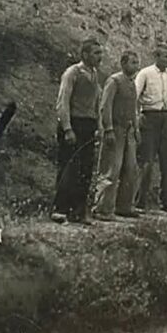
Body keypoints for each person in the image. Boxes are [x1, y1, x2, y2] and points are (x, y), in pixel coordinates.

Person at [51, 38, 104, 224]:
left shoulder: (95, 74)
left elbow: (97, 104)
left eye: (100, 53)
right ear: (85, 54)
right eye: (96, 53)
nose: (100, 57)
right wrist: (67, 128)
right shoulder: (72, 72)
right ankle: (60, 210)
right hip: (73, 124)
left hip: (88, 126)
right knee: (69, 168)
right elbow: (63, 102)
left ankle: (79, 211)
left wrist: (99, 127)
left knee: (86, 170)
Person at [134, 42, 167, 212]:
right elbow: (135, 95)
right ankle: (140, 201)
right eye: (165, 56)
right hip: (150, 116)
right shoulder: (145, 73)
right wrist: (136, 116)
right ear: (156, 57)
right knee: (147, 160)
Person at [92, 49, 141, 221]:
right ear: (123, 63)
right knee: (111, 169)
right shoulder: (114, 81)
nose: (136, 66)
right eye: (132, 62)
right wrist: (108, 129)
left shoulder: (132, 83)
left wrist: (136, 129)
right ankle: (102, 209)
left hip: (129, 131)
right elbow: (105, 106)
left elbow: (134, 110)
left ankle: (124, 206)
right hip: (115, 130)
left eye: (137, 63)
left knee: (131, 169)